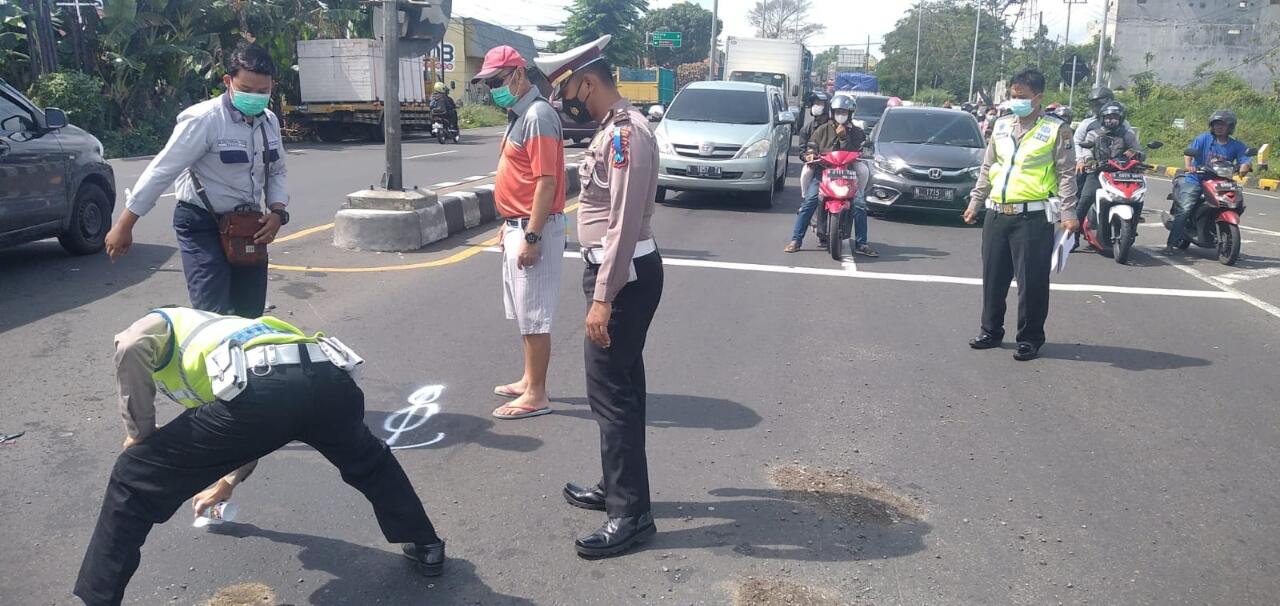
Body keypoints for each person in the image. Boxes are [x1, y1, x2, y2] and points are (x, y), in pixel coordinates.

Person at [73, 307, 446, 605]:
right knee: (371, 462)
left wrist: (139, 431)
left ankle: (98, 597)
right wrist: (227, 482)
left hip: (264, 391)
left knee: (133, 474)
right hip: (329, 378)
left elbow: (130, 344)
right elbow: (251, 428)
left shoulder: (165, 321)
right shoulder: (234, 330)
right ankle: (426, 544)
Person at [535, 35, 664, 558]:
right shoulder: (614, 130)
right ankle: (622, 491)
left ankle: (629, 516)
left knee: (610, 396)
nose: (568, 98)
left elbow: (623, 223)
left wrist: (603, 297)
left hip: (624, 278)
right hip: (624, 275)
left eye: (569, 88)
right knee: (624, 391)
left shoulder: (625, 136)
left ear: (588, 82)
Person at [104, 43, 289, 319]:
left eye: (263, 92)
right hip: (201, 224)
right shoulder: (204, 120)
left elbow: (277, 171)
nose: (255, 97)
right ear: (228, 81)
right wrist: (124, 224)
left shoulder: (270, 121)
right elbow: (162, 170)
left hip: (247, 225)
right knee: (213, 313)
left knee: (249, 313)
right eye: (247, 90)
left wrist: (277, 212)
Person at [472, 45, 568, 420]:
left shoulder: (538, 115)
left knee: (535, 315)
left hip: (534, 229)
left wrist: (531, 235)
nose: (493, 88)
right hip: (519, 224)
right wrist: (510, 224)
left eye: (497, 80)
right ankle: (529, 379)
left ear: (518, 74)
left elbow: (546, 182)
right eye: (489, 83)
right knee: (525, 313)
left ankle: (537, 394)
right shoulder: (522, 113)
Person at [963, 68, 1078, 362]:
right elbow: (988, 168)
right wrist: (975, 202)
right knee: (993, 277)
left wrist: (1069, 212)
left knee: (1032, 281)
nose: (1016, 101)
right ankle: (990, 331)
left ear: (1038, 97)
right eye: (1013, 96)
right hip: (998, 213)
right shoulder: (1000, 126)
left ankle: (1029, 338)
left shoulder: (1057, 130)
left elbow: (1066, 174)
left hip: (1033, 216)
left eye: (1022, 97)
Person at [785, 95, 874, 256]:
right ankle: (796, 240)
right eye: (838, 111)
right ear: (832, 112)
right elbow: (811, 146)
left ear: (850, 113)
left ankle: (862, 243)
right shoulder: (822, 130)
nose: (841, 114)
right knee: (809, 202)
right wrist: (811, 154)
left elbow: (857, 149)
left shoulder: (857, 132)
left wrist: (843, 137)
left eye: (844, 111)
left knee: (860, 204)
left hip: (848, 174)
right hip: (823, 173)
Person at [1167, 109, 1252, 250]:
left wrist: (1244, 166)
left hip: (1222, 182)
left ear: (1230, 127)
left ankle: (1215, 227)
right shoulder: (1204, 138)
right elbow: (1189, 152)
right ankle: (1171, 243)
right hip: (1197, 179)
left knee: (1236, 202)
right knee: (1186, 208)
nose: (1218, 127)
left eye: (1222, 124)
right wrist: (1189, 166)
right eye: (1216, 124)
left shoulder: (1236, 145)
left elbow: (1245, 159)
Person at [1077, 101, 1143, 243]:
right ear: (1102, 118)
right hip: (1098, 173)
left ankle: (1133, 228)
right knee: (1085, 200)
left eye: (1114, 117)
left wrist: (1136, 154)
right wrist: (1090, 161)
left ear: (1120, 119)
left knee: (1137, 198)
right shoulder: (1094, 134)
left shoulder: (1127, 135)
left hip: (1122, 174)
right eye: (1107, 117)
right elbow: (1086, 149)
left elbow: (1140, 151)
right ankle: (1073, 237)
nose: (1111, 120)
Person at [797, 96, 831, 212]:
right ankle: (805, 200)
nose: (817, 105)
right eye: (815, 103)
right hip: (816, 164)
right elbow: (802, 151)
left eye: (820, 103)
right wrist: (808, 157)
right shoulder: (806, 129)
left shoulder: (835, 127)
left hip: (834, 165)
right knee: (806, 173)